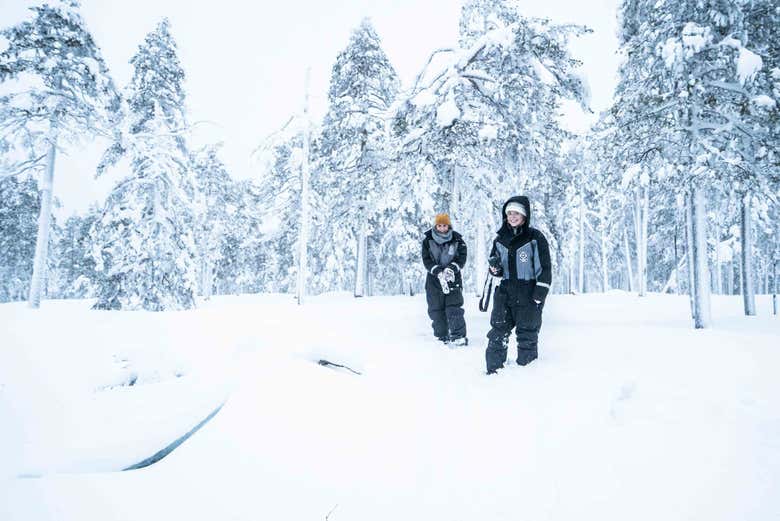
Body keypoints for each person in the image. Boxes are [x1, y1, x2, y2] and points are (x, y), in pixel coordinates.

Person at [485, 196, 551, 373]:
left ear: (524, 215)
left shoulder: (535, 238)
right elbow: (496, 271)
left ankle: (527, 373)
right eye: (509, 213)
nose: (512, 217)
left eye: (516, 213)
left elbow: (544, 267)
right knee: (498, 331)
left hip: (528, 292)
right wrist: (494, 268)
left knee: (527, 333)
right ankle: (493, 372)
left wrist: (540, 294)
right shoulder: (500, 239)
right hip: (504, 292)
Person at [421, 213, 468, 346]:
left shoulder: (458, 240)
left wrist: (451, 269)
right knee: (436, 309)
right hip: (434, 279)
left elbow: (462, 258)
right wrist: (437, 271)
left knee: (454, 308)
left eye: (445, 225)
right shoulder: (427, 240)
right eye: (439, 225)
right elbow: (426, 260)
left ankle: (458, 336)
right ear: (436, 226)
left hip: (452, 278)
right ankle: (441, 336)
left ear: (449, 226)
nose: (442, 228)